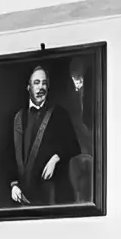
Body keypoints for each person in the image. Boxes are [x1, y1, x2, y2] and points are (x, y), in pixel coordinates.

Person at [9, 65, 81, 206]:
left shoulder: (60, 114)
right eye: (36, 83)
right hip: (23, 196)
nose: (41, 87)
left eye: (44, 83)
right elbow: (9, 155)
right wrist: (14, 185)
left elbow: (74, 146)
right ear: (28, 87)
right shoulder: (19, 117)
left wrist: (56, 158)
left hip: (54, 196)